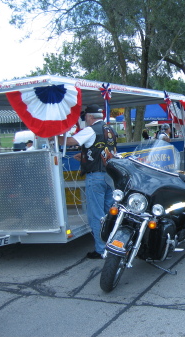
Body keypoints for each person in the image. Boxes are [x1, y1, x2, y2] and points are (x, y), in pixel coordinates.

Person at [58, 104, 118, 259]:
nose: (84, 119)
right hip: (110, 176)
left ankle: (101, 249)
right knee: (109, 214)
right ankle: (113, 245)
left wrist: (51, 135)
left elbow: (70, 141)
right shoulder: (110, 129)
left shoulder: (90, 129)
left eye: (85, 116)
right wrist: (84, 155)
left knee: (96, 215)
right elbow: (106, 151)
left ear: (90, 117)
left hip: (96, 177)